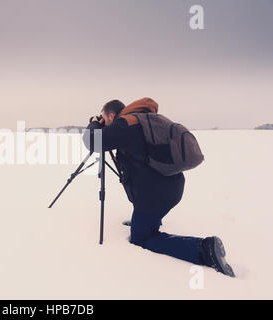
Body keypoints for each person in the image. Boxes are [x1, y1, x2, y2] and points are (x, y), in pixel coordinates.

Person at [83, 98, 235, 277]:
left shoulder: (125, 125)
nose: (104, 123)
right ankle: (146, 220)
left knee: (141, 238)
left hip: (154, 196)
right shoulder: (143, 119)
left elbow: (91, 142)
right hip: (170, 186)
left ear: (111, 115)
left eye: (104, 119)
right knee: (144, 205)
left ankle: (204, 249)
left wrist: (93, 123)